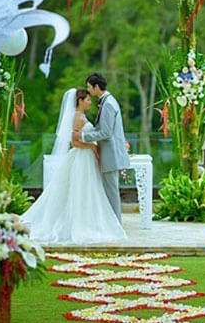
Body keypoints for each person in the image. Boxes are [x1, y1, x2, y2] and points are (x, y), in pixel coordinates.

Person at [21, 88, 126, 244]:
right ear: (80, 101)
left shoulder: (82, 116)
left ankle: (91, 220)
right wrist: (92, 147)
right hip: (82, 158)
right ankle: (80, 223)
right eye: (88, 100)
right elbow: (74, 142)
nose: (90, 102)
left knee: (90, 191)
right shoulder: (77, 117)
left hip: (88, 158)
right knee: (82, 190)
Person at [80, 73, 131, 222]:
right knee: (109, 190)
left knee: (111, 191)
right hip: (108, 153)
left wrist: (84, 137)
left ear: (96, 87)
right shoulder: (106, 101)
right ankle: (112, 223)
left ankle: (116, 224)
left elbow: (106, 132)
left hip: (111, 153)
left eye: (89, 87)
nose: (89, 90)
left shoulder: (108, 104)